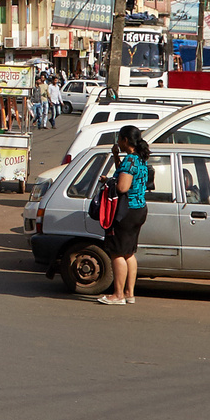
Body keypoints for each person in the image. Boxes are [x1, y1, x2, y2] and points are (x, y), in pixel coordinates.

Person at [95, 128, 152, 306]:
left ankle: (118, 294)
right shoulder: (140, 159)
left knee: (117, 252)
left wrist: (109, 181)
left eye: (119, 139)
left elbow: (122, 188)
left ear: (126, 140)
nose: (118, 143)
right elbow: (127, 176)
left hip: (125, 212)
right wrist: (115, 157)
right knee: (129, 253)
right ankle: (129, 293)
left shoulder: (130, 161)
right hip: (139, 209)